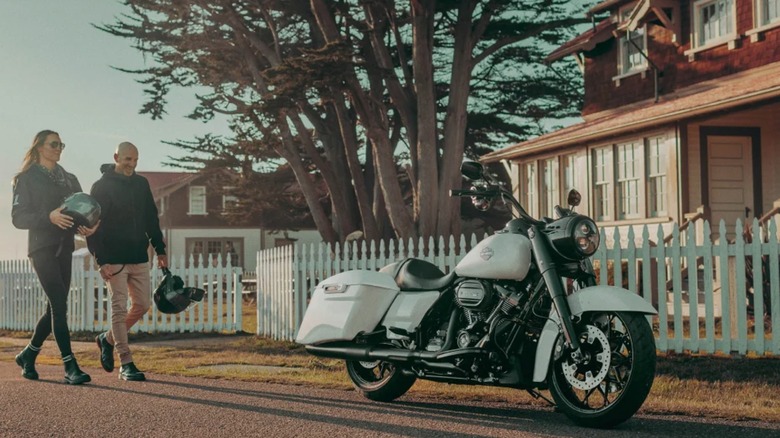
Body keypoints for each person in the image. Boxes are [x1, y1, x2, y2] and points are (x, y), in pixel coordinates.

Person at [11, 130, 96, 385]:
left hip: (65, 248)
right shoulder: (25, 179)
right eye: (54, 144)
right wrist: (48, 217)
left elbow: (83, 209)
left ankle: (28, 355)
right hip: (41, 248)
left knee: (54, 307)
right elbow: (18, 218)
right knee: (60, 305)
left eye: (61, 144)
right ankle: (70, 366)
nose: (59, 148)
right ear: (39, 147)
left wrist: (88, 225)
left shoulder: (69, 179)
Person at [87, 141, 168, 381]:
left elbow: (151, 218)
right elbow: (92, 227)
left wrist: (160, 249)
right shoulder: (101, 187)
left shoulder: (141, 184)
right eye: (127, 159)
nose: (131, 164)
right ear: (116, 157)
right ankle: (126, 361)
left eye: (135, 160)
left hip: (138, 256)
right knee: (119, 309)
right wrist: (101, 260)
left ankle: (107, 339)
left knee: (143, 304)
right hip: (113, 258)